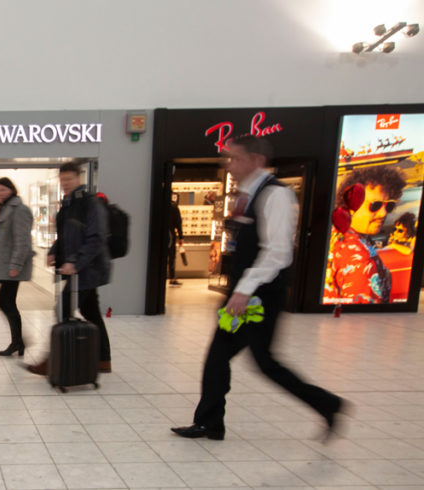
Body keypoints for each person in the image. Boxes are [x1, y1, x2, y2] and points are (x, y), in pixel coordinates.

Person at [171, 135, 345, 442]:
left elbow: (278, 252)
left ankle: (328, 404)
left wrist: (244, 290)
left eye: (235, 158)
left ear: (257, 160)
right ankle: (209, 422)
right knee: (217, 358)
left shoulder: (276, 195)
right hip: (243, 296)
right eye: (227, 158)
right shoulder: (247, 195)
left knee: (265, 363)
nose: (229, 164)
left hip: (261, 297)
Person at [27, 162, 112, 375]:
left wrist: (76, 262)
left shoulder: (90, 204)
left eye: (69, 179)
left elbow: (96, 237)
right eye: (62, 180)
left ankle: (54, 360)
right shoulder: (69, 204)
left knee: (63, 309)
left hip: (88, 268)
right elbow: (66, 235)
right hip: (81, 268)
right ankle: (103, 360)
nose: (65, 184)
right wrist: (54, 250)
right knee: (91, 311)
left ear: (79, 178)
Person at [324, 165, 406, 304]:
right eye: (375, 205)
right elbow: (361, 319)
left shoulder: (334, 233)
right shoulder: (361, 259)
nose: (383, 213)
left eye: (389, 205)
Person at [0, 177, 34, 357]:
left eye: (3, 190)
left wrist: (16, 264)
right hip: (5, 264)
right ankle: (18, 342)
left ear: (12, 190)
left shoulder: (19, 209)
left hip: (12, 266)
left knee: (4, 301)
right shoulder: (5, 208)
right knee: (7, 302)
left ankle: (18, 341)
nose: (0, 194)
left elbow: (23, 240)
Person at [378, 212, 417, 302]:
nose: (395, 232)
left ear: (409, 232)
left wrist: (393, 245)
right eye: (395, 229)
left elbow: (408, 251)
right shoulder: (395, 240)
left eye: (400, 230)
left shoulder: (412, 240)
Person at [168, 193, 184, 286]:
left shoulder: (158, 205)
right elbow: (178, 223)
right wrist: (181, 237)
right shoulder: (174, 206)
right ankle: (172, 278)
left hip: (160, 233)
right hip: (170, 234)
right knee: (171, 256)